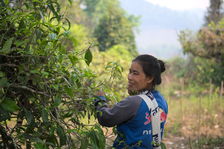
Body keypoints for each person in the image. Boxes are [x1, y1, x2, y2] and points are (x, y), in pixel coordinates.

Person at [95, 54, 168, 149]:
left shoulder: (133, 102)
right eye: (130, 72)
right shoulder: (162, 101)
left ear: (149, 78)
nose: (129, 77)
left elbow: (106, 118)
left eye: (135, 73)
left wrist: (100, 100)